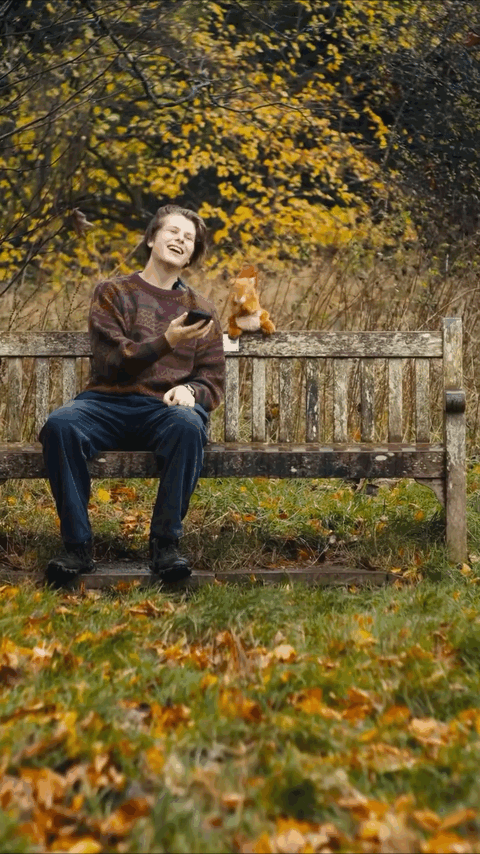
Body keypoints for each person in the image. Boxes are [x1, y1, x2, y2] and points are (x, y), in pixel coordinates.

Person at [38, 204, 225, 587]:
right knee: (61, 425)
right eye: (173, 231)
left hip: (164, 412)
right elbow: (112, 362)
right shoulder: (113, 292)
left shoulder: (202, 310)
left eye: (189, 239)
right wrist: (167, 340)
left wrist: (190, 390)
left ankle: (165, 545)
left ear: (192, 255)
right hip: (107, 404)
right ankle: (77, 547)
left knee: (189, 426)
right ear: (151, 237)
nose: (180, 240)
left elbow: (213, 379)